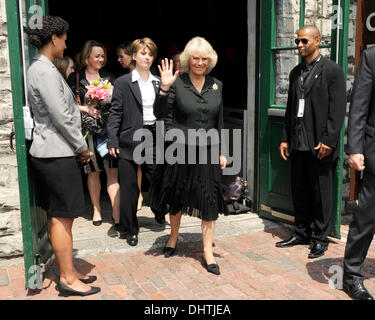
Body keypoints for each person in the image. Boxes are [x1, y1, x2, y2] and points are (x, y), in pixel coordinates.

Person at [25, 16, 100, 296]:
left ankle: (68, 269)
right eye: (65, 38)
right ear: (54, 38)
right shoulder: (43, 70)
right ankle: (67, 278)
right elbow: (60, 117)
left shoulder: (43, 68)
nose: (67, 42)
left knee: (62, 216)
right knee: (61, 217)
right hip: (54, 153)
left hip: (56, 151)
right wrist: (81, 147)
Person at [149, 36, 228, 275]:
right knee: (176, 195)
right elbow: (161, 114)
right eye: (196, 58)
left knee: (209, 200)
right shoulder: (176, 82)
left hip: (207, 151)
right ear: (187, 60)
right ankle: (173, 237)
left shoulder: (217, 84)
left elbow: (219, 119)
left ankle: (207, 252)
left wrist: (222, 150)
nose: (200, 63)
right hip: (180, 149)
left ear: (210, 60)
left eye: (205, 59)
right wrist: (163, 88)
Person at [276, 26, 346, 259]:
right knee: (300, 190)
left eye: (304, 41)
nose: (299, 45)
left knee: (321, 194)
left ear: (318, 41)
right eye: (297, 40)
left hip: (320, 145)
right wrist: (286, 138)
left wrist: (329, 140)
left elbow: (337, 110)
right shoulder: (296, 72)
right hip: (298, 142)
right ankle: (302, 232)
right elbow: (290, 109)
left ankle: (320, 238)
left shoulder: (332, 71)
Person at [107, 38, 166, 247]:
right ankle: (130, 228)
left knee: (157, 178)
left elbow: (167, 112)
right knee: (130, 186)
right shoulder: (123, 82)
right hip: (129, 139)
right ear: (134, 56)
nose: (147, 57)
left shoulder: (159, 82)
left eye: (150, 54)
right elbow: (115, 112)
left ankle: (160, 210)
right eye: (143, 53)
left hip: (154, 136)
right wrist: (112, 139)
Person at [67, 40, 120, 229]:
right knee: (93, 172)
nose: (101, 59)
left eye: (103, 56)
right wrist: (86, 109)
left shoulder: (110, 77)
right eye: (97, 55)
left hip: (108, 130)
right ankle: (97, 210)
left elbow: (118, 104)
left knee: (113, 171)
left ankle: (116, 213)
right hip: (88, 131)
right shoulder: (74, 77)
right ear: (87, 56)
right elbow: (67, 104)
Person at [342, 46, 375, 300]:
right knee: (366, 218)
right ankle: (351, 275)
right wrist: (354, 149)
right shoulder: (372, 56)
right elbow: (359, 106)